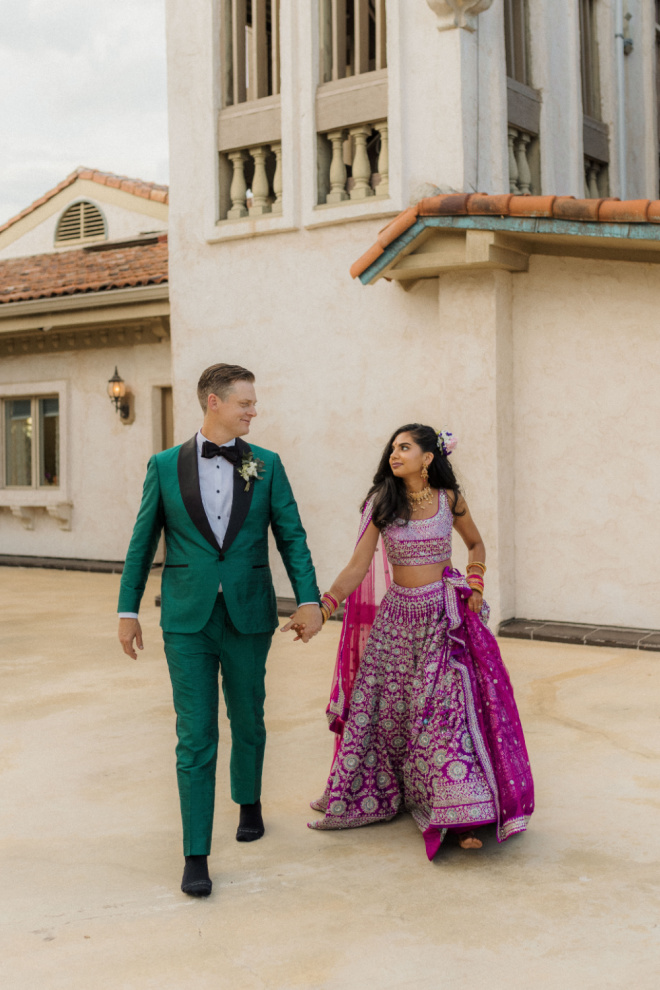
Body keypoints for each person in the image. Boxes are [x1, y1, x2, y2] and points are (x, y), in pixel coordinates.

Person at [117, 363, 322, 896]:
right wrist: (128, 609)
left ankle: (248, 799)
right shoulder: (163, 466)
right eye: (245, 403)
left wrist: (308, 600)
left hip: (250, 613)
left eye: (253, 403)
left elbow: (291, 537)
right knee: (196, 736)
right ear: (214, 402)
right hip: (186, 620)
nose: (254, 411)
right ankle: (196, 854)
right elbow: (143, 542)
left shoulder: (267, 465)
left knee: (249, 718)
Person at [307, 424, 534, 859]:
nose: (395, 454)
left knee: (445, 714)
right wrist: (325, 605)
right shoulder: (382, 503)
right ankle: (403, 791)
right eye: (393, 447)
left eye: (405, 447)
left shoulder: (450, 500)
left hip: (444, 619)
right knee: (391, 714)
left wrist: (477, 584)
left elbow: (476, 544)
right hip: (398, 621)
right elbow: (357, 567)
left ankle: (461, 814)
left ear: (428, 458)